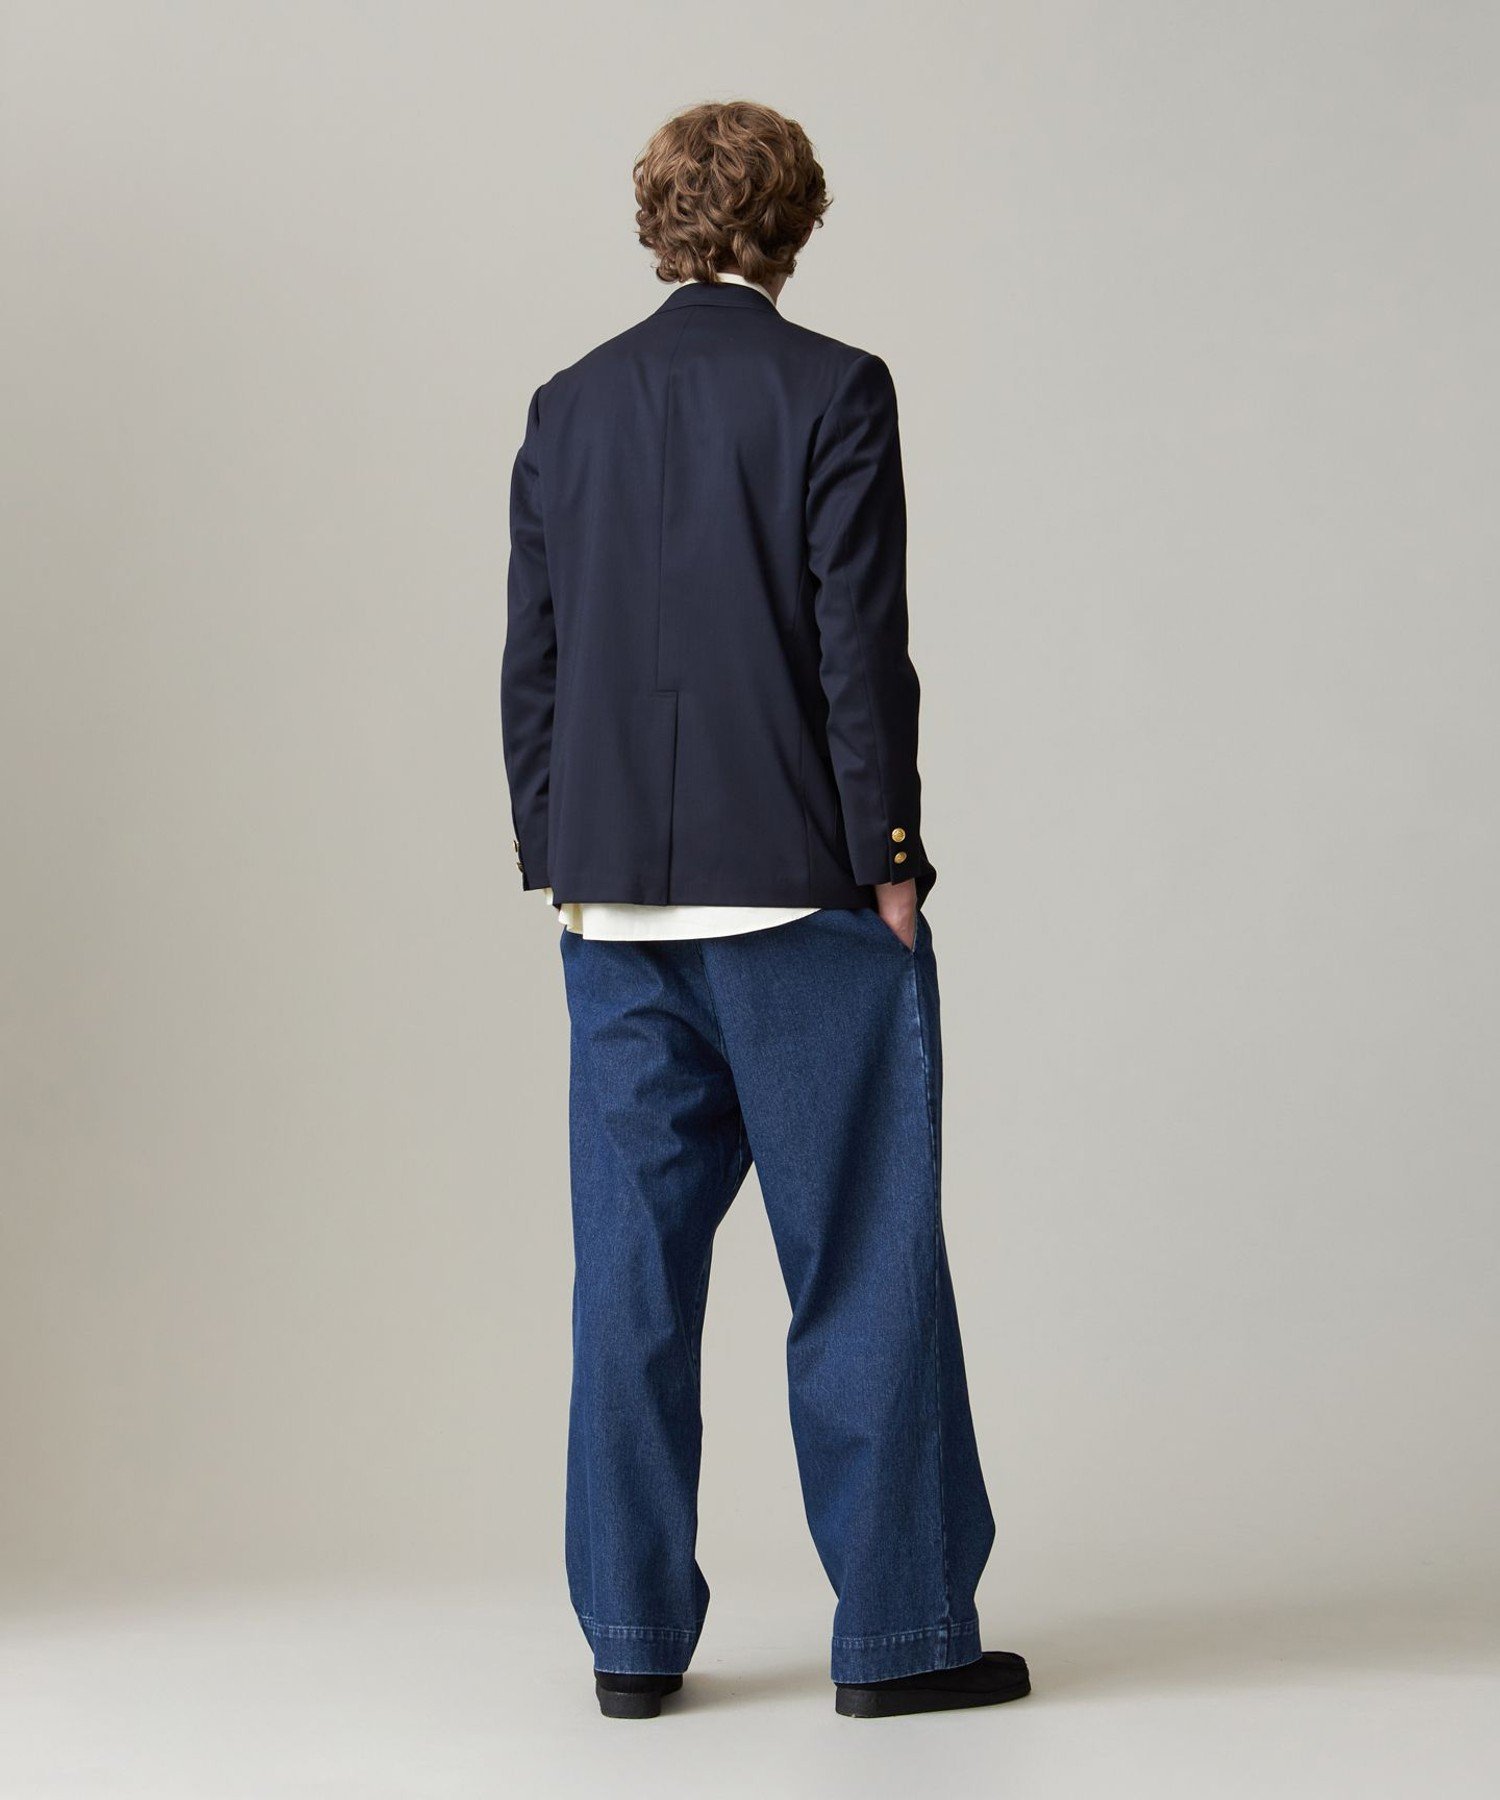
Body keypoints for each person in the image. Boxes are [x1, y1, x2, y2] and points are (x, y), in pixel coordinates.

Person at [500, 99, 1029, 1721]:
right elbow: (857, 645)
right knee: (862, 1263)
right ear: (794, 223)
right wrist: (891, 855)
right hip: (801, 895)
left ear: (657, 222)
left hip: (616, 913)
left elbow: (535, 662)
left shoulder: (569, 405)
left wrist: (562, 856)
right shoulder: (834, 388)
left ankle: (629, 1643)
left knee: (629, 1285)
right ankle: (900, 1639)